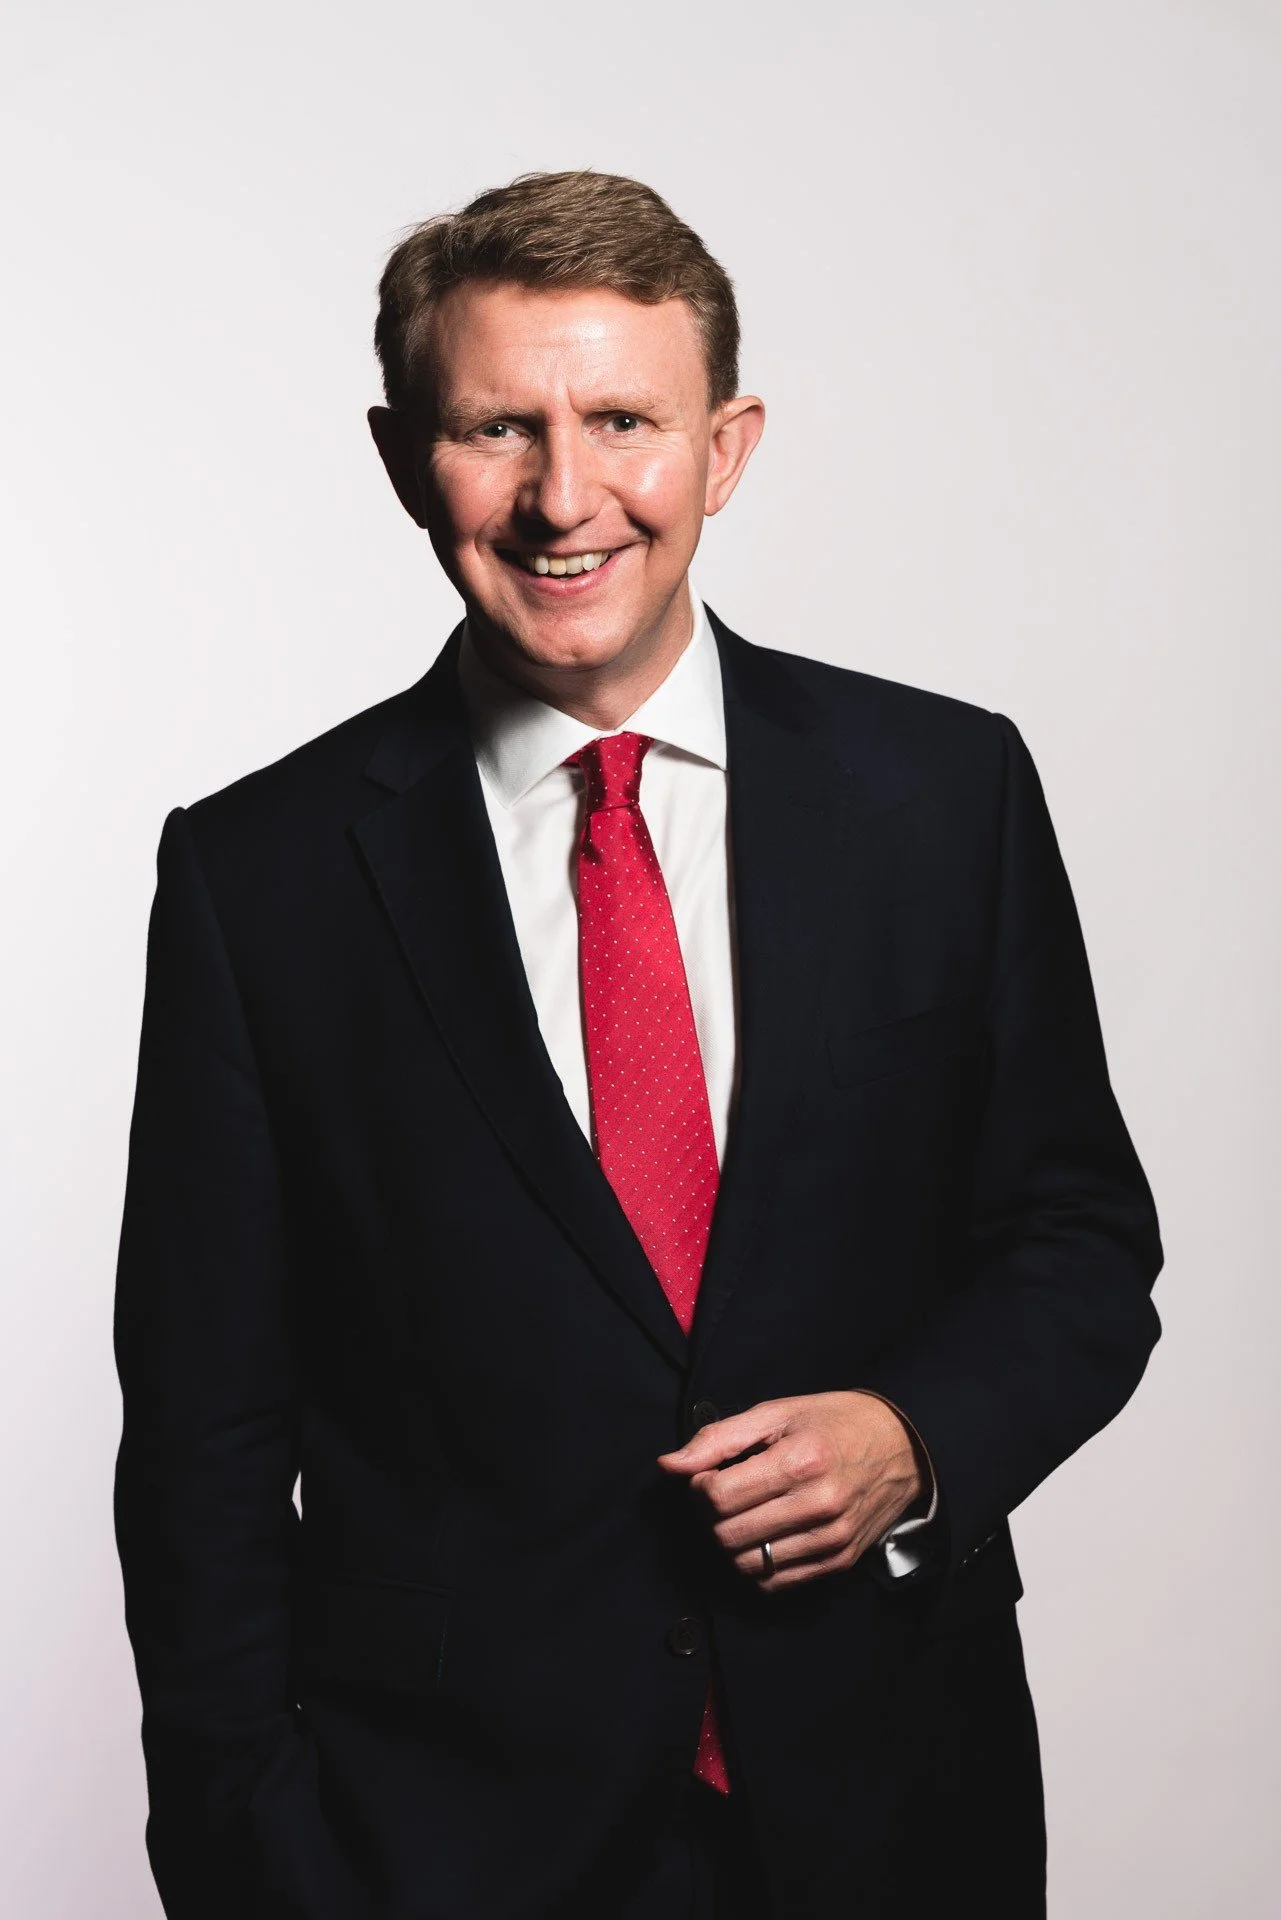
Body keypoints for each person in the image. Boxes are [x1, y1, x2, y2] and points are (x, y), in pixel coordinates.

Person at [112, 169, 1163, 1920]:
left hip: (897, 1807)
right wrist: (249, 1857)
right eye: (495, 429)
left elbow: (1078, 1244)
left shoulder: (943, 794)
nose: (563, 495)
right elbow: (205, 1432)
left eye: (622, 420)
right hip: (434, 1846)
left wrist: (916, 1433)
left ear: (727, 447)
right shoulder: (259, 876)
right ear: (400, 459)